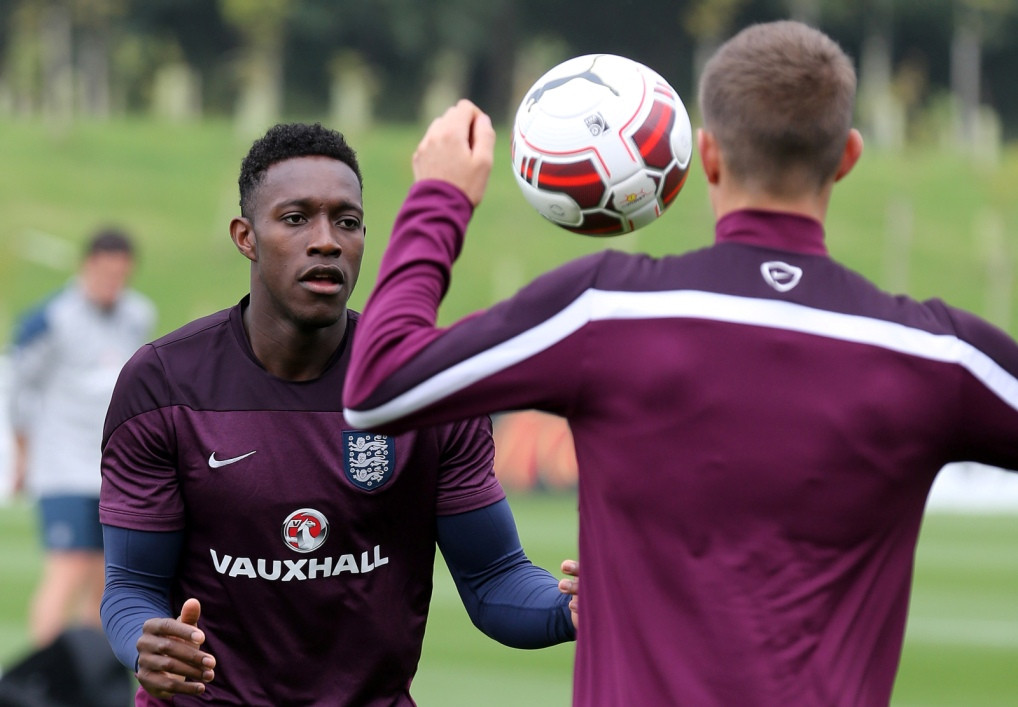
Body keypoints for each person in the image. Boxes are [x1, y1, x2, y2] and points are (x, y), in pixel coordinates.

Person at [342, 21, 1018, 706]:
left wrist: (441, 198)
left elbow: (377, 386)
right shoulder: (937, 354)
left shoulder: (605, 310)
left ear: (710, 156)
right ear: (847, 156)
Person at [98, 122, 577, 706]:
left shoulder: (426, 389)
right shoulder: (163, 384)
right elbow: (132, 586)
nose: (326, 241)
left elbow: (493, 580)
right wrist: (145, 642)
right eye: (296, 218)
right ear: (245, 237)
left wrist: (574, 608)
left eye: (346, 222)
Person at [8, 228, 155, 648]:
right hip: (63, 467)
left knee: (106, 580)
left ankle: (88, 681)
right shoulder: (51, 319)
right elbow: (19, 392)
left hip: (114, 471)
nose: (113, 285)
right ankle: (46, 682)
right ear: (86, 266)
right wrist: (24, 456)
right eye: (105, 274)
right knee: (67, 569)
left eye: (121, 276)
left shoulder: (137, 315)